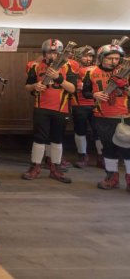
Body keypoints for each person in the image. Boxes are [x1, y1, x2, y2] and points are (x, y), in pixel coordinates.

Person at [21, 39, 76, 183]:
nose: (53, 56)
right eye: (50, 53)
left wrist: (58, 78)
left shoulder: (68, 66)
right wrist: (35, 86)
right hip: (41, 108)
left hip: (61, 108)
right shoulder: (35, 66)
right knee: (39, 138)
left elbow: (72, 88)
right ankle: (35, 167)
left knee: (57, 139)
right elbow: (27, 86)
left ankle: (55, 168)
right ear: (44, 53)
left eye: (56, 53)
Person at [81, 44, 130, 190]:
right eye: (110, 58)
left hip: (123, 116)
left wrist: (125, 86)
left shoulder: (126, 72)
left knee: (127, 149)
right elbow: (85, 92)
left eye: (117, 58)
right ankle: (112, 177)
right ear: (102, 58)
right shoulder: (91, 72)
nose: (114, 62)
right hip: (102, 116)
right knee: (107, 148)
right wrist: (94, 95)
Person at [71, 46, 102, 168]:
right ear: (78, 56)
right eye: (85, 56)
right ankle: (82, 156)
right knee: (80, 131)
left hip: (96, 104)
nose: (88, 59)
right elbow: (75, 86)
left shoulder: (98, 69)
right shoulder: (72, 68)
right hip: (78, 104)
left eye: (90, 56)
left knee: (98, 131)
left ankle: (101, 157)